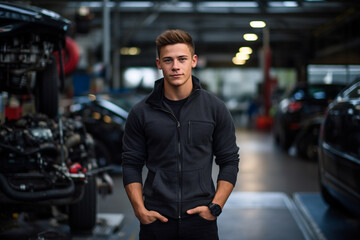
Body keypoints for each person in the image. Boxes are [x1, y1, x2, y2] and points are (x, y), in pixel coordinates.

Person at [122, 29, 240, 240]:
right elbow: (131, 164)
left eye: (181, 59)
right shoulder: (141, 112)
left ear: (193, 61)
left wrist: (215, 207)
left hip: (201, 220)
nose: (175, 66)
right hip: (156, 220)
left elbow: (229, 161)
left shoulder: (215, 109)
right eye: (168, 60)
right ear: (159, 64)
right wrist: (140, 210)